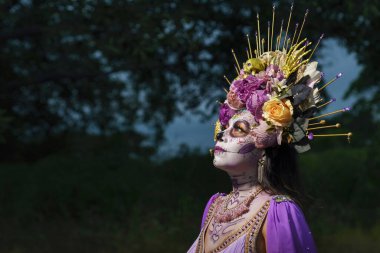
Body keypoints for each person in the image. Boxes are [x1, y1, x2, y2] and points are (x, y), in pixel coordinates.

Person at [187, 5, 352, 253]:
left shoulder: (279, 211)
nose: (222, 134)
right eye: (224, 127)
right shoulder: (214, 206)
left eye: (239, 129)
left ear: (266, 146)